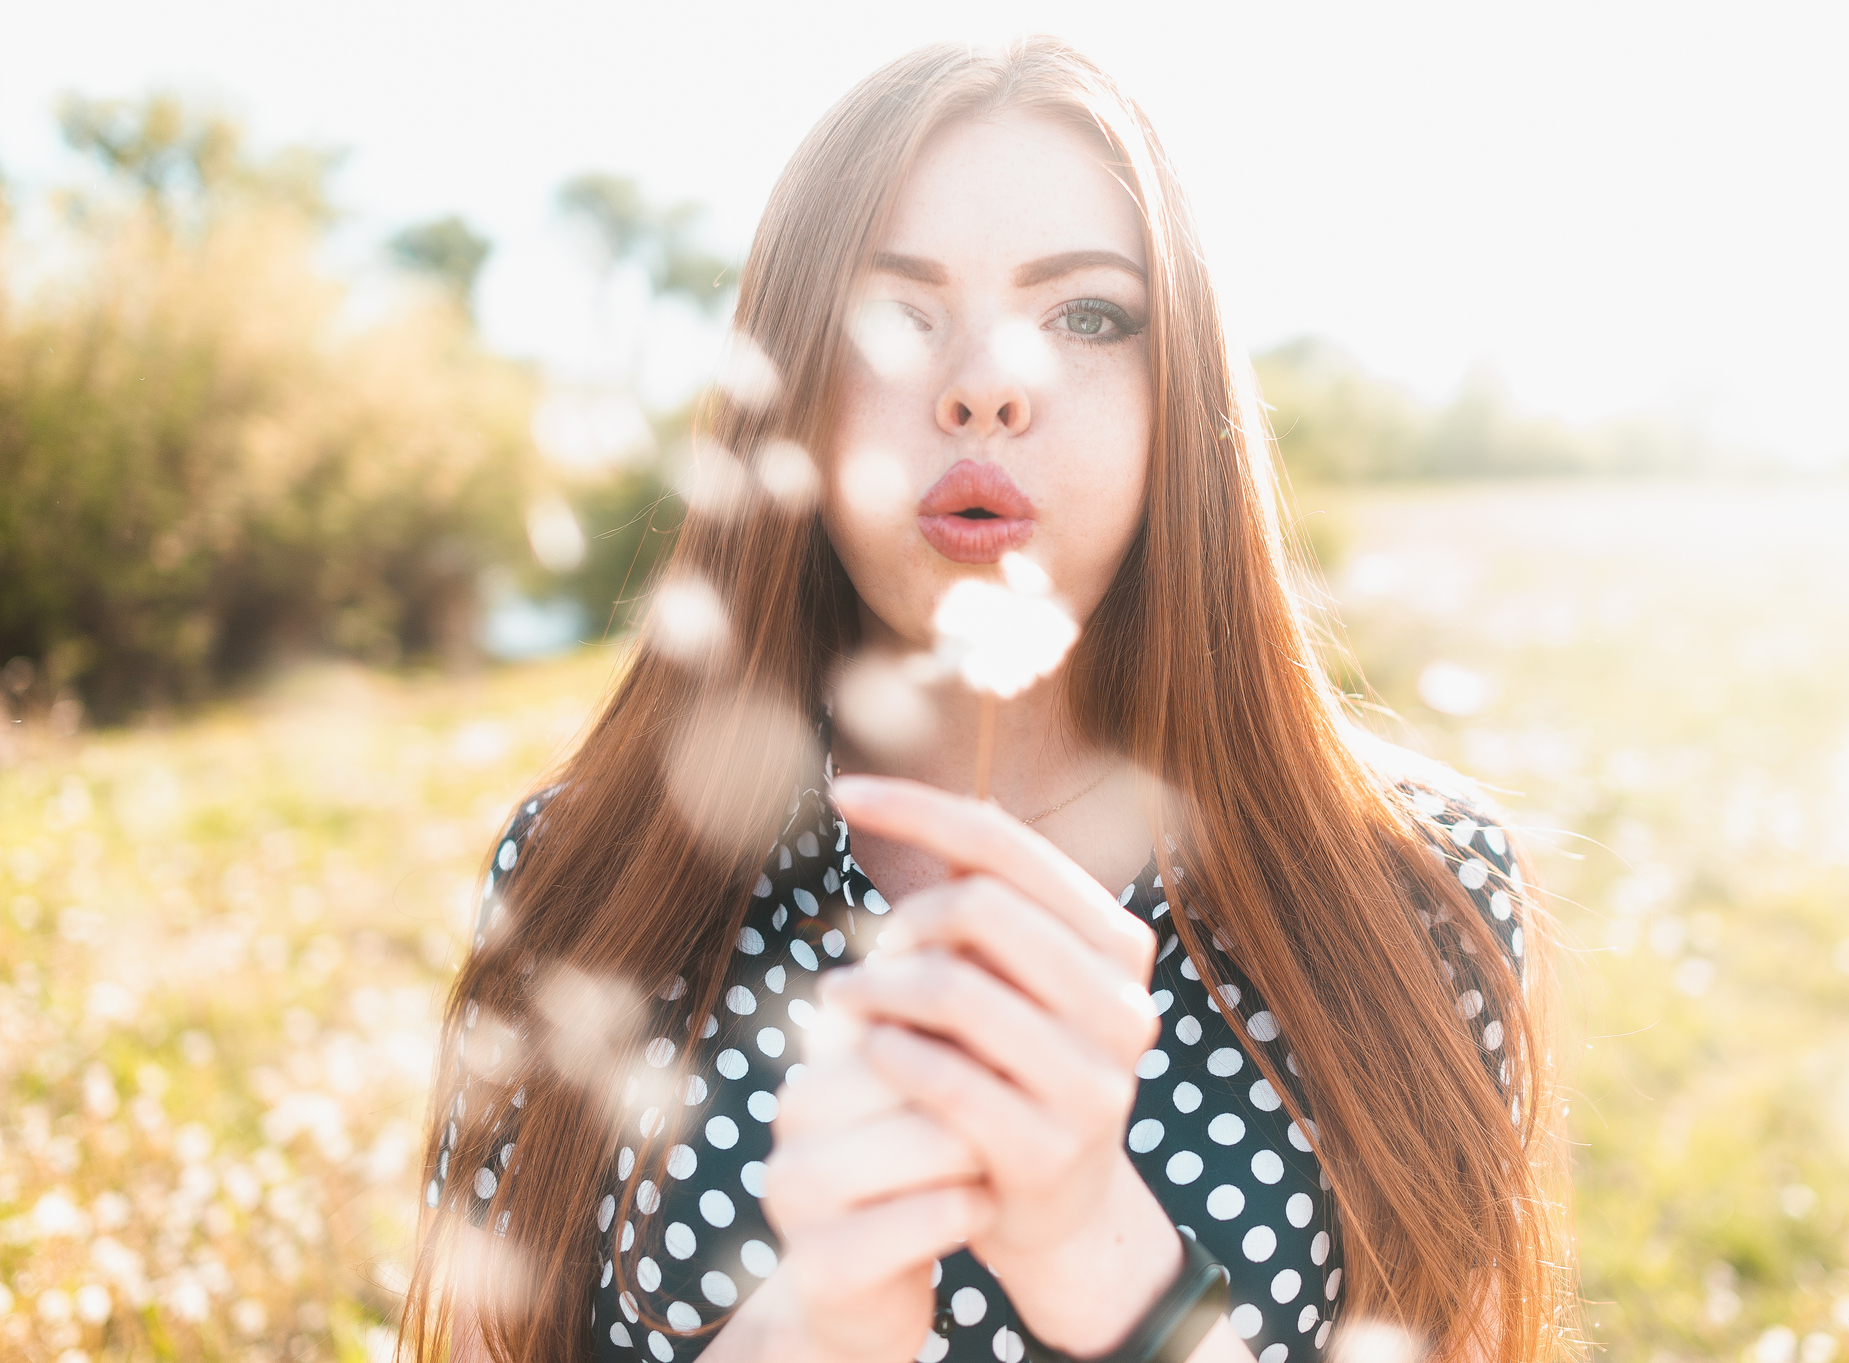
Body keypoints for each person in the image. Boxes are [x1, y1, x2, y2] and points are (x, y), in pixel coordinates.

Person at [404, 36, 1580, 1363]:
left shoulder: (1414, 893)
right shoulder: (583, 875)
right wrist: (828, 1319)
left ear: (1180, 387)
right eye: (892, 316)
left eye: (1086, 315)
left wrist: (1101, 1264)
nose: (987, 384)